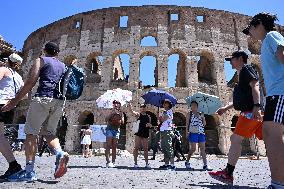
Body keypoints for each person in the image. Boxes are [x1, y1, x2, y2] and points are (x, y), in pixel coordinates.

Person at [2, 42, 69, 181]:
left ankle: (29, 171)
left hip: (43, 98)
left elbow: (30, 82)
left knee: (31, 133)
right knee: (49, 132)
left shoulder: (41, 60)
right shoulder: (63, 66)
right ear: (57, 53)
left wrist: (15, 100)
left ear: (44, 50)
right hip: (59, 102)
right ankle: (60, 153)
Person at [243, 12, 284, 189]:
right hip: (276, 93)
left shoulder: (272, 36)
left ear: (258, 24)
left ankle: (279, 183)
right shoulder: (266, 42)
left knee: (271, 134)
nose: (250, 34)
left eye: (250, 29)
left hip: (280, 92)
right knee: (269, 133)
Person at [208, 50, 262, 184]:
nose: (230, 63)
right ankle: (228, 172)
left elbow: (255, 85)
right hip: (250, 111)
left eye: (231, 59)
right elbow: (241, 99)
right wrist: (225, 108)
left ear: (239, 59)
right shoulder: (241, 74)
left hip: (250, 112)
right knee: (271, 139)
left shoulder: (246, 69)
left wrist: (256, 106)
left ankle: (228, 173)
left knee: (235, 138)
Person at [0, 53, 24, 180]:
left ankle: (14, 165)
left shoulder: (3, 70)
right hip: (10, 107)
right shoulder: (19, 77)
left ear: (8, 61)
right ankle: (13, 165)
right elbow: (24, 95)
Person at [185, 101, 212, 170]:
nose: (193, 106)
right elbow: (187, 124)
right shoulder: (189, 114)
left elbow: (204, 124)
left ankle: (205, 165)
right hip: (193, 132)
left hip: (201, 132)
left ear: (197, 107)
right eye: (192, 105)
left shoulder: (201, 114)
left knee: (203, 148)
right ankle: (187, 161)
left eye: (195, 105)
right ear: (190, 106)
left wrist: (203, 117)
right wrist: (186, 132)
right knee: (193, 148)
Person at [129, 103, 152, 168]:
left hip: (145, 133)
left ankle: (147, 163)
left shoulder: (148, 116)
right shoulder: (138, 114)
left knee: (145, 148)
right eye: (141, 107)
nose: (143, 108)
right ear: (140, 108)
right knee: (136, 147)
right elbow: (132, 112)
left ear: (145, 108)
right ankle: (135, 163)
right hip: (139, 133)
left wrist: (149, 125)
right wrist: (130, 108)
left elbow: (150, 125)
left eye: (144, 107)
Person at [104, 100, 124, 168]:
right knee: (108, 145)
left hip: (116, 130)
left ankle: (113, 162)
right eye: (115, 103)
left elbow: (123, 122)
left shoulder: (121, 112)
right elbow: (106, 119)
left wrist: (120, 116)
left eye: (117, 103)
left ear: (119, 105)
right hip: (110, 129)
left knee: (114, 146)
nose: (116, 105)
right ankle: (108, 161)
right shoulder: (110, 111)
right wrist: (112, 113)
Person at [159, 99, 176, 170]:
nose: (164, 104)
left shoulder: (169, 111)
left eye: (165, 103)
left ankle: (172, 165)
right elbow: (161, 120)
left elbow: (163, 119)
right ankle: (166, 164)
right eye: (163, 103)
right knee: (164, 147)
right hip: (163, 130)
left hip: (167, 131)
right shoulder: (165, 112)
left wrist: (161, 117)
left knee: (168, 147)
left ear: (169, 104)